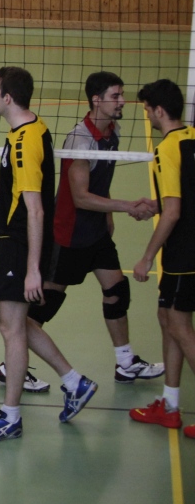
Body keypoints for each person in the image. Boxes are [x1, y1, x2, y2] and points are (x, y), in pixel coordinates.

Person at [0, 66, 97, 443]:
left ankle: (10, 417)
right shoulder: (30, 129)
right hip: (17, 235)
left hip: (20, 243)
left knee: (10, 329)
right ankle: (74, 382)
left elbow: (36, 208)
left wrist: (32, 269)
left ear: (8, 98)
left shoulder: (25, 142)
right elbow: (20, 191)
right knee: (21, 325)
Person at [35, 72, 161, 384]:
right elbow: (79, 197)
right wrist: (126, 206)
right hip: (68, 233)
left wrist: (108, 215)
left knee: (117, 290)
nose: (122, 102)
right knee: (46, 303)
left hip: (96, 231)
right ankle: (10, 365)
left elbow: (100, 182)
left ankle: (125, 362)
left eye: (122, 95)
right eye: (115, 96)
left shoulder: (112, 131)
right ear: (96, 100)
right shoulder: (80, 140)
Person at [129, 80, 195, 435]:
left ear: (158, 110)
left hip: (184, 253)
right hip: (185, 249)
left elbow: (173, 213)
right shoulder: (192, 137)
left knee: (181, 326)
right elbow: (183, 195)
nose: (148, 116)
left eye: (147, 110)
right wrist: (156, 203)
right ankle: (169, 406)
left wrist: (146, 257)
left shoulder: (166, 149)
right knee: (167, 317)